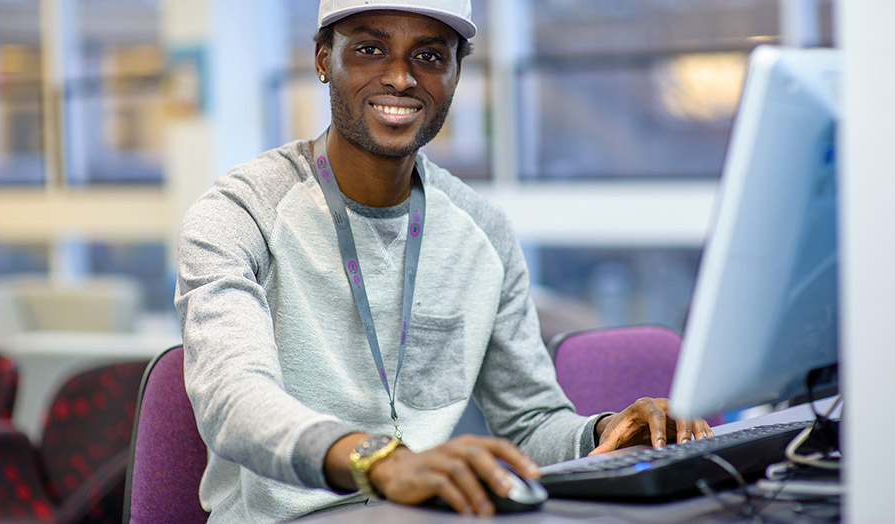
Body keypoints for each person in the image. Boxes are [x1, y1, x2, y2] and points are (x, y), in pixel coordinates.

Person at [174, 1, 712, 521]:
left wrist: (604, 433)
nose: (401, 78)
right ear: (323, 60)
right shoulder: (240, 212)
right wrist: (380, 462)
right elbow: (233, 399)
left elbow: (529, 422)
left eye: (429, 56)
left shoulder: (484, 232)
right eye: (369, 49)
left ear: (456, 74)